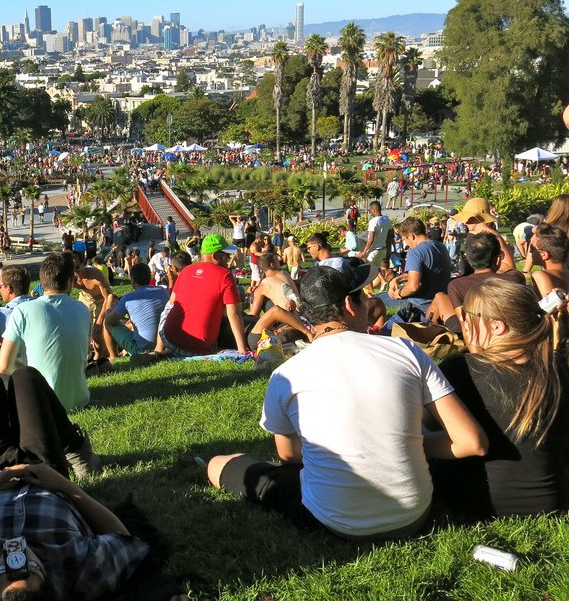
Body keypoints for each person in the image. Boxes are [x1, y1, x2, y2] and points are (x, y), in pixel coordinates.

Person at [205, 264, 488, 540]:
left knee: (218, 464)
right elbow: (472, 442)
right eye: (364, 299)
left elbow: (290, 457)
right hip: (414, 514)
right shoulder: (405, 350)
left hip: (334, 520)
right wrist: (405, 442)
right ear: (351, 307)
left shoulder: (286, 374)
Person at [0, 368, 143, 600]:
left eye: (1, 570)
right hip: (45, 476)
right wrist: (63, 485)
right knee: (27, 378)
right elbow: (122, 538)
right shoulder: (79, 572)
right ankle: (80, 454)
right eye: (30, 566)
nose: (17, 551)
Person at [432, 279, 569, 518]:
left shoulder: (461, 369)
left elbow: (434, 428)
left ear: (497, 326)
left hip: (479, 502)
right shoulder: (556, 367)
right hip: (552, 499)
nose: (465, 322)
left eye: (470, 316)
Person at [0, 253, 91, 413]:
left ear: (42, 282)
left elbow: (3, 367)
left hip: (42, 403)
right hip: (79, 400)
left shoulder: (23, 311)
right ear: (70, 282)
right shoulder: (82, 309)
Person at [159, 234, 248, 356]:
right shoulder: (225, 275)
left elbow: (171, 303)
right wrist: (242, 350)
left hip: (169, 339)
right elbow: (234, 314)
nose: (228, 259)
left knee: (168, 307)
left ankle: (158, 350)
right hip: (198, 348)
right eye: (226, 255)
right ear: (215, 256)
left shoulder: (186, 270)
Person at [103, 263, 169, 357]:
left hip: (142, 349)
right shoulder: (163, 291)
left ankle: (113, 357)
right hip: (164, 344)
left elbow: (109, 320)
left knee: (107, 323)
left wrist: (109, 302)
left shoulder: (128, 298)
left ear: (132, 279)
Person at [388, 217, 451, 311]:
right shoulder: (440, 246)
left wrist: (399, 293)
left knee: (378, 299)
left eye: (405, 239)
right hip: (441, 301)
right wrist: (398, 278)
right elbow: (427, 273)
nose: (407, 243)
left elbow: (413, 287)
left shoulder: (415, 252)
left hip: (422, 304)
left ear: (411, 236)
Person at [529, 222, 569, 297]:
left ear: (544, 255)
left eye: (532, 248)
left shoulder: (541, 275)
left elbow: (549, 308)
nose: (530, 251)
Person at [358, 201, 391, 267]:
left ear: (374, 210)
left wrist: (364, 252)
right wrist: (388, 249)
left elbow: (371, 239)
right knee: (377, 271)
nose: (370, 212)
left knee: (367, 269)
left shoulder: (373, 221)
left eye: (370, 210)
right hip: (382, 250)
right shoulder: (387, 219)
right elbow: (389, 236)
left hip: (374, 250)